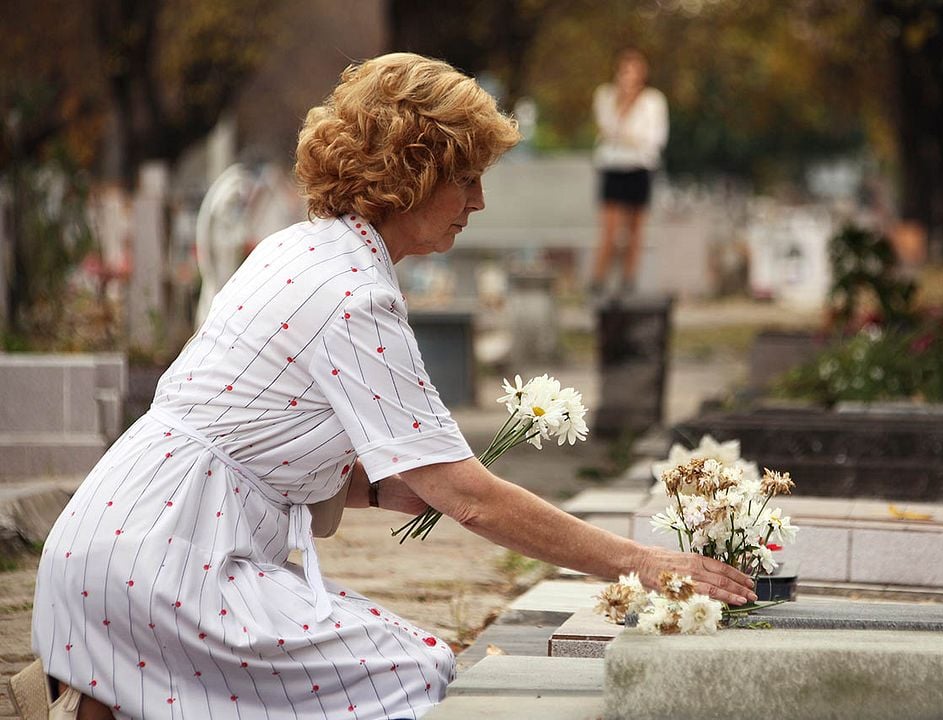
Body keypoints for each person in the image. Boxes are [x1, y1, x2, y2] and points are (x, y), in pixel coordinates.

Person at [31, 53, 754, 720]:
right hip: (166, 567)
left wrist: (376, 487)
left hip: (112, 543)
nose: (478, 204)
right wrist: (646, 562)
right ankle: (112, 679)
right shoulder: (353, 296)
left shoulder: (298, 247)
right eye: (466, 179)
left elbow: (248, 432)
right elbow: (468, 497)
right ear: (413, 173)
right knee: (415, 675)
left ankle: (106, 690)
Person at [589, 47, 669, 297]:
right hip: (613, 168)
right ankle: (599, 282)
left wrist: (626, 136)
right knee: (610, 232)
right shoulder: (606, 96)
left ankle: (628, 283)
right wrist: (623, 106)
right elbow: (607, 128)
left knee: (636, 232)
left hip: (640, 169)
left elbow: (654, 139)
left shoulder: (653, 101)